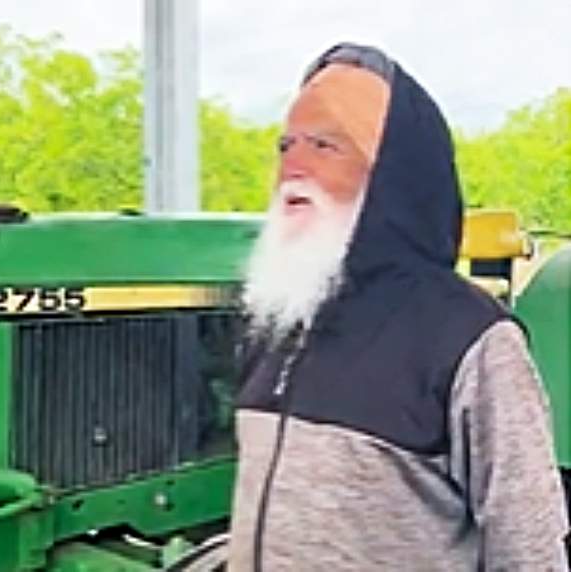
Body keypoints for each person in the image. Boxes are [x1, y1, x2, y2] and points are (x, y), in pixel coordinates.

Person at [227, 43, 569, 571]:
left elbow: (529, 548)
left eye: (325, 144)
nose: (294, 164)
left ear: (390, 172)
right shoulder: (280, 320)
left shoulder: (470, 336)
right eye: (285, 144)